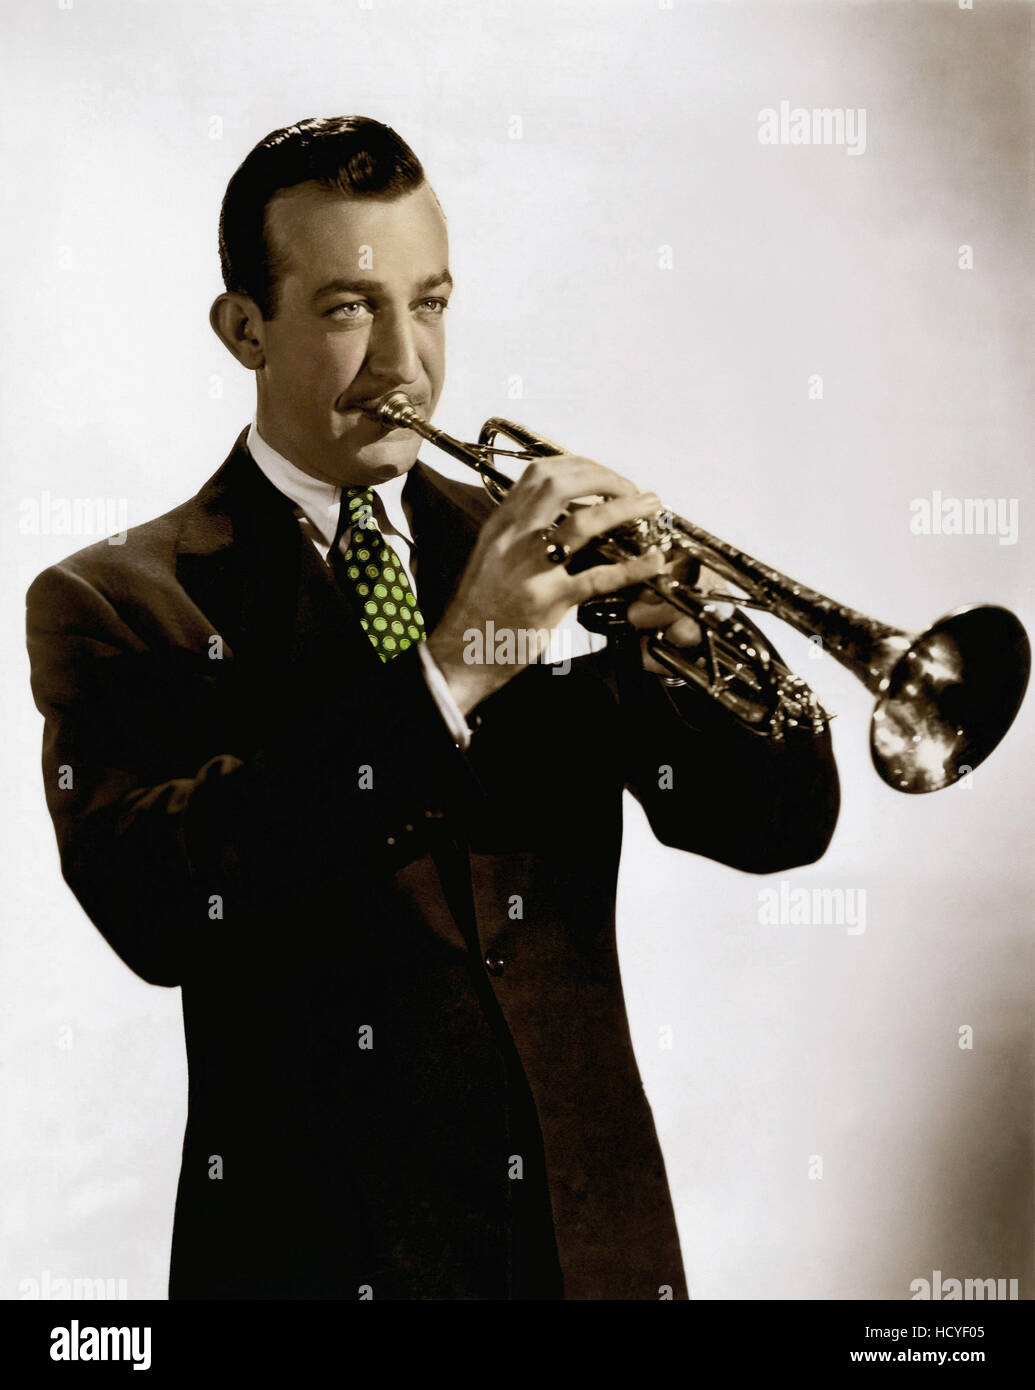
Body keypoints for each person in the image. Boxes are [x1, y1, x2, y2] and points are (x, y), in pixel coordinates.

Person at [26, 116, 840, 1300]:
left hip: (594, 1255)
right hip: (323, 1259)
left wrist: (694, 653)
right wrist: (452, 666)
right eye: (351, 308)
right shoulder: (119, 600)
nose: (407, 366)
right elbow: (162, 907)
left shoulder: (531, 543)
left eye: (434, 303)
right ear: (243, 327)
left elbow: (777, 828)